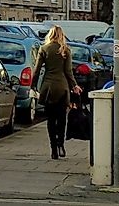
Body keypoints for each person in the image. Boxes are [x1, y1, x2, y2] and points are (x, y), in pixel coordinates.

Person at [32, 25, 82, 159]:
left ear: (50, 35)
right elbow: (68, 72)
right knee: (61, 119)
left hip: (48, 88)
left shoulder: (44, 49)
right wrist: (74, 86)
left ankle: (53, 148)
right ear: (61, 35)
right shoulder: (65, 50)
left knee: (50, 120)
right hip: (62, 88)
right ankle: (61, 144)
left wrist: (33, 86)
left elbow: (36, 70)